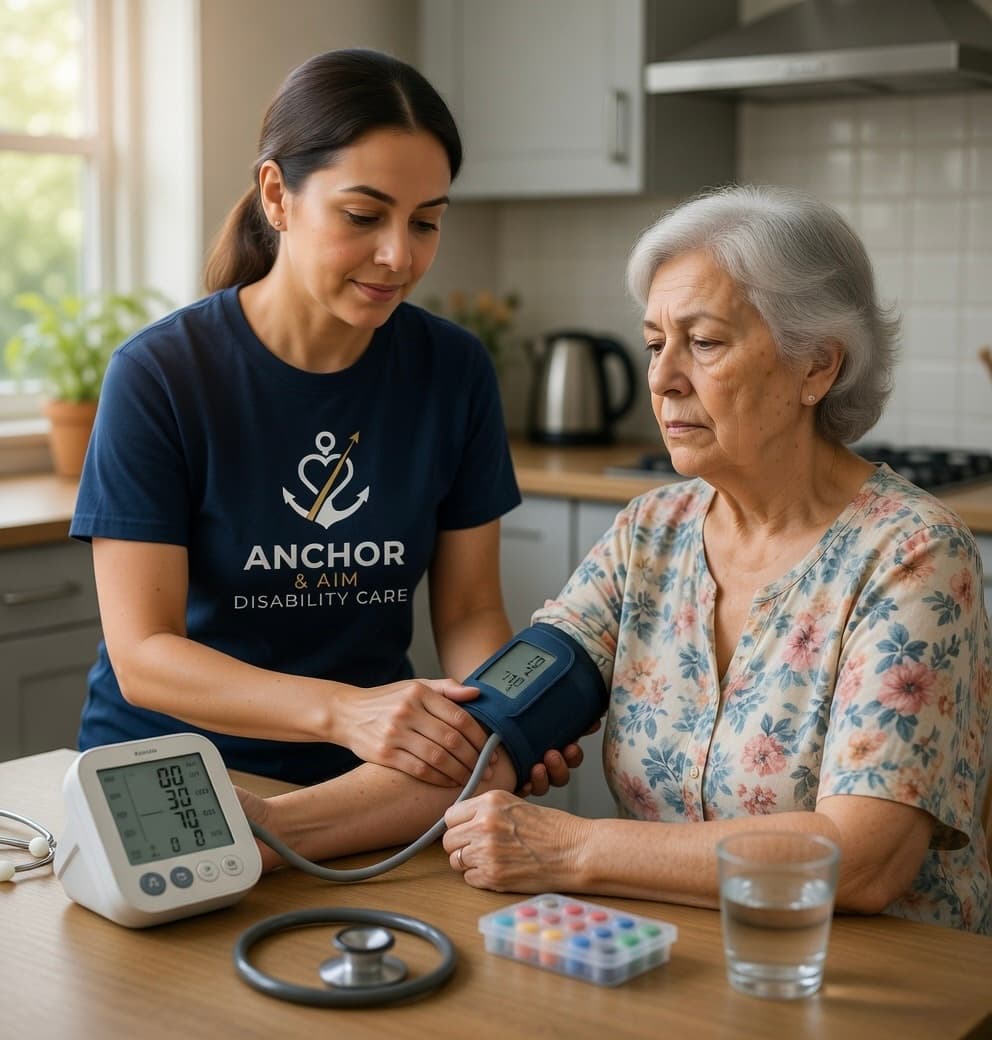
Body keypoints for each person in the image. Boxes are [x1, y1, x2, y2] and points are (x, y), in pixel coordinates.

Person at [235, 184, 991, 935]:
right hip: (678, 956)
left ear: (817, 367)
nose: (663, 378)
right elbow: (483, 736)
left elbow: (864, 860)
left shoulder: (912, 556)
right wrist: (271, 830)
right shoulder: (649, 535)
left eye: (704, 342)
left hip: (881, 978)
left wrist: (579, 848)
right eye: (657, 343)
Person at [70, 48, 579, 794]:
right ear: (276, 195)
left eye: (427, 223)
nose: (398, 255)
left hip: (365, 782)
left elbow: (471, 608)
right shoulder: (161, 375)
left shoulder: (453, 371)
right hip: (170, 775)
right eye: (363, 216)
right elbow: (145, 653)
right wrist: (344, 713)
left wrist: (501, 719)